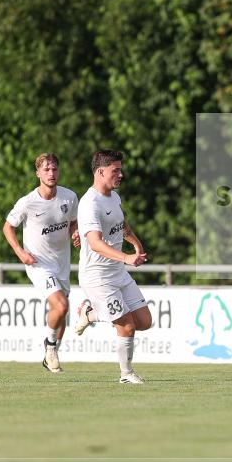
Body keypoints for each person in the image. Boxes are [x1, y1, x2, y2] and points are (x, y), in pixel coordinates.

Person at [73, 149, 151, 384]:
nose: (121, 174)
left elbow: (121, 225)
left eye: (120, 169)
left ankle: (91, 313)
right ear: (100, 172)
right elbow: (95, 243)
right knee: (126, 326)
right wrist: (126, 258)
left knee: (144, 321)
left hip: (117, 273)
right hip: (97, 277)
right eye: (115, 170)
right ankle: (126, 375)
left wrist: (136, 244)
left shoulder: (114, 197)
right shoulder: (89, 203)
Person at [3, 153, 80, 373]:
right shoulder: (27, 202)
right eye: (46, 169)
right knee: (62, 305)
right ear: (38, 173)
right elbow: (8, 227)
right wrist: (20, 252)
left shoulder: (69, 197)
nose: (51, 173)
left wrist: (75, 233)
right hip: (38, 264)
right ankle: (50, 345)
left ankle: (51, 352)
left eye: (54, 169)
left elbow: (73, 222)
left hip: (62, 264)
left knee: (61, 311)